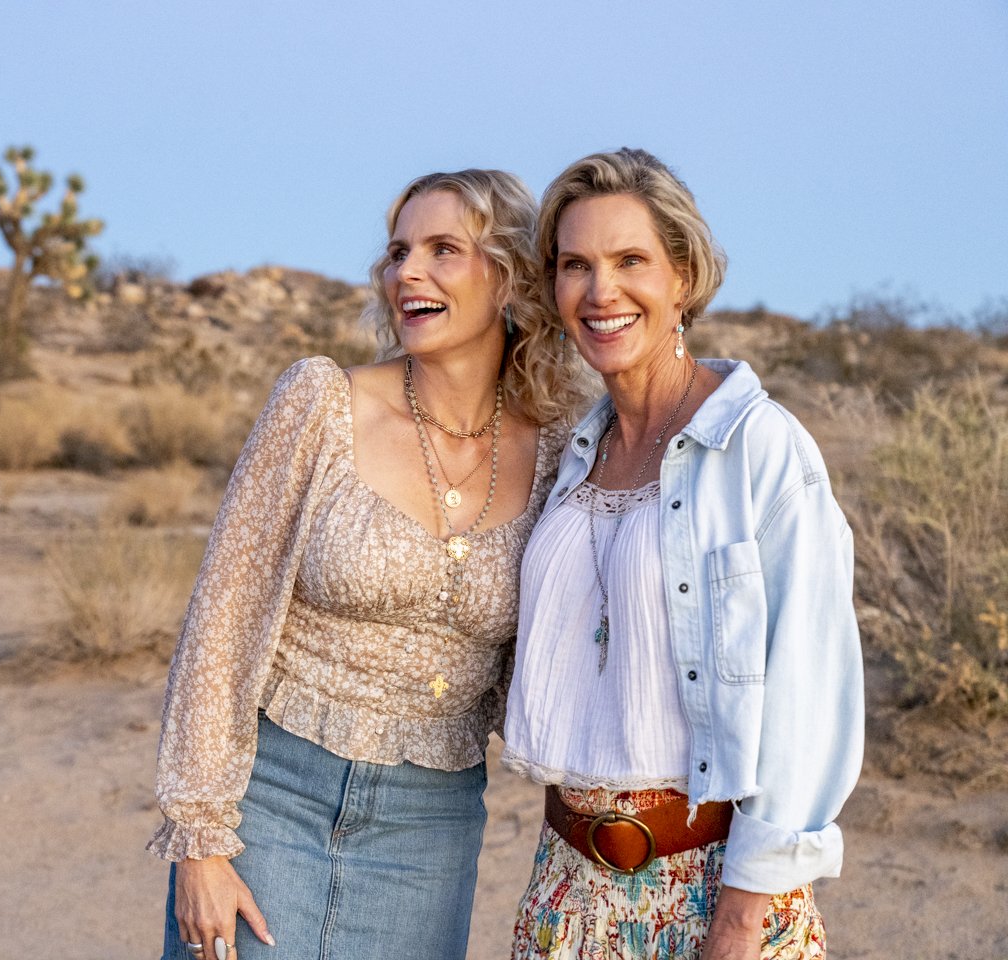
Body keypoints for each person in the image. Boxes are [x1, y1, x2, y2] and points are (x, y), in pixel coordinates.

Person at [148, 169, 586, 960]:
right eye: (397, 252)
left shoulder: (557, 449)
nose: (406, 272)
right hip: (271, 797)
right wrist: (199, 839)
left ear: (512, 280)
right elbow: (223, 617)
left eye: (443, 249)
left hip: (432, 823)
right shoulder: (320, 403)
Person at [501, 148, 863, 960]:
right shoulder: (571, 458)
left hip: (713, 892)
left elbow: (812, 685)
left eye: (631, 261)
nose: (602, 292)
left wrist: (740, 918)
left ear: (684, 277)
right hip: (566, 888)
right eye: (574, 265)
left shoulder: (759, 449)